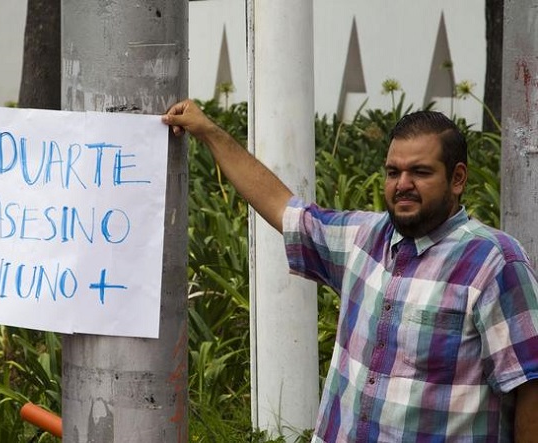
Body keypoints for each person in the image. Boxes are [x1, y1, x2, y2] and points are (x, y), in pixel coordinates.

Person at [162, 100, 538, 442]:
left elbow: (530, 383)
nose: (402, 185)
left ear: (457, 179)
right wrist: (209, 131)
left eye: (420, 172)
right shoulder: (363, 238)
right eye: (393, 172)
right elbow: (281, 206)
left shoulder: (494, 263)